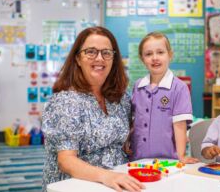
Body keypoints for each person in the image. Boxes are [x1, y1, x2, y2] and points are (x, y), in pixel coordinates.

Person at [42, 26, 144, 192]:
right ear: (77, 59)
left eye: (106, 53)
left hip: (118, 181)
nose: (99, 58)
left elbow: (127, 138)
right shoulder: (65, 102)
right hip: (76, 185)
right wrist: (107, 176)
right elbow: (66, 161)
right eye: (91, 52)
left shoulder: (120, 98)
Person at [130, 31, 199, 164]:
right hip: (138, 158)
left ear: (170, 55)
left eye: (160, 52)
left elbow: (180, 124)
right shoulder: (138, 86)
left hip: (168, 160)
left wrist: (181, 156)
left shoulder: (179, 88)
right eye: (149, 54)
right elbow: (134, 120)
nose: (155, 58)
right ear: (142, 58)